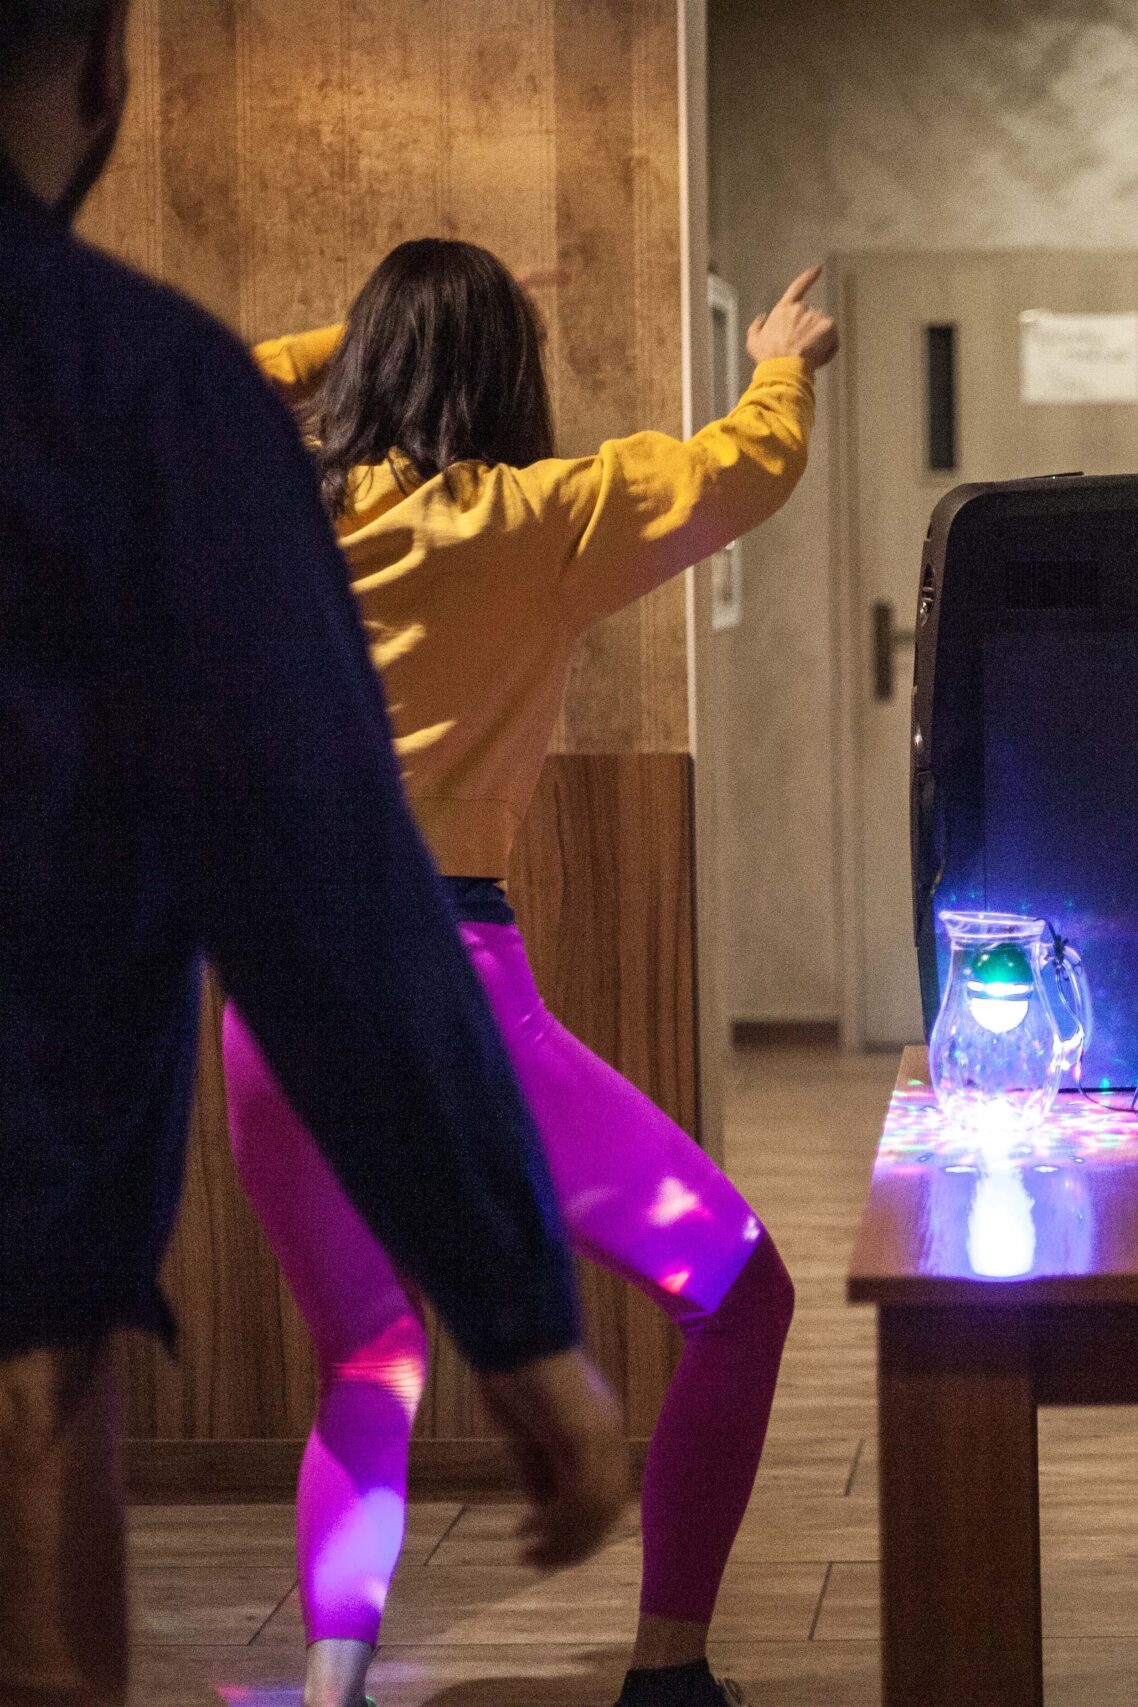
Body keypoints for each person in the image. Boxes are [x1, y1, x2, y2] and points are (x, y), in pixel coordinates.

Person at [0, 4, 630, 1702]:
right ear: (105, 70)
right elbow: (318, 887)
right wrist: (521, 1322)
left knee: (364, 1349)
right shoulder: (133, 393)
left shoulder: (184, 402)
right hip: (22, 1258)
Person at [232, 240, 837, 1707]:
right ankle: (669, 1676)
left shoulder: (262, 500)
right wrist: (779, 365)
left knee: (369, 1355)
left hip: (273, 1007)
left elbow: (222, 385)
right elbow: (745, 468)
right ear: (509, 379)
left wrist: (356, 341)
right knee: (738, 1293)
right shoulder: (540, 518)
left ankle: (330, 1689)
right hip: (451, 1002)